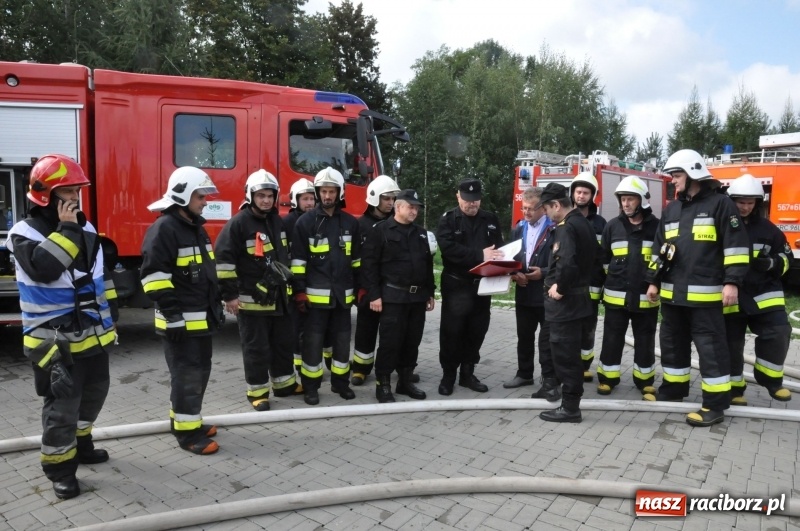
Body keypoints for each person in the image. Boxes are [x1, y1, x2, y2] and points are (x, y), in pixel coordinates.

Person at [6, 154, 118, 499]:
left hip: (92, 333)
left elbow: (96, 277)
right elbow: (45, 269)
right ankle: (60, 469)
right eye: (67, 192)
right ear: (45, 195)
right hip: (52, 339)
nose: (75, 199)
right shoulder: (22, 233)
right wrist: (68, 229)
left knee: (95, 393)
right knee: (62, 407)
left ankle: (81, 444)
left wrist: (110, 318)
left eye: (77, 192)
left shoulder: (84, 227)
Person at [644, 149, 750, 427]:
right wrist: (653, 281)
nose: (673, 181)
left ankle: (715, 405)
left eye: (676, 175)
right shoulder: (672, 209)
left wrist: (732, 283)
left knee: (711, 350)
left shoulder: (721, 205)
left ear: (693, 175)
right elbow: (659, 249)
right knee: (672, 346)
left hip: (706, 298)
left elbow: (736, 248)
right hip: (672, 297)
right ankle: (673, 391)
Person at [140, 166, 224, 454]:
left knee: (198, 374)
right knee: (187, 377)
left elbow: (206, 274)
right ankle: (188, 437)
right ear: (184, 195)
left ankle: (187, 421)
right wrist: (173, 317)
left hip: (200, 321)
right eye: (201, 196)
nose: (204, 201)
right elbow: (153, 279)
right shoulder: (164, 229)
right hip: (181, 324)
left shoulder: (195, 228)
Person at [215, 169, 300, 411]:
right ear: (250, 196)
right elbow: (223, 262)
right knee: (257, 348)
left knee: (282, 344)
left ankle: (284, 385)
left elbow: (283, 256)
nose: (266, 200)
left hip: (279, 298)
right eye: (261, 195)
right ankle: (258, 392)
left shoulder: (276, 221)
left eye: (270, 195)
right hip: (251, 301)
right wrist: (229, 296)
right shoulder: (238, 224)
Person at [291, 167, 360, 405]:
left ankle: (341, 384)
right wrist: (299, 292)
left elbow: (357, 261)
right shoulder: (305, 222)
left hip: (342, 299)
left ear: (339, 193)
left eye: (332, 191)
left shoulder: (351, 223)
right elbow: (298, 262)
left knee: (341, 344)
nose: (327, 196)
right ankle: (311, 387)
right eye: (323, 191)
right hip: (314, 301)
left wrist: (360, 289)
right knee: (312, 346)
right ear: (318, 192)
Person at [361, 189, 435, 402]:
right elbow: (369, 265)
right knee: (390, 342)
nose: (414, 211)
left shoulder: (421, 233)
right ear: (398, 207)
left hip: (417, 298)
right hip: (392, 297)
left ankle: (404, 382)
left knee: (412, 342)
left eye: (417, 208)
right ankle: (383, 384)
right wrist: (374, 295)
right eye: (411, 207)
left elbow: (427, 265)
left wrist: (430, 292)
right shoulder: (381, 231)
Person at [725, 174, 793, 405]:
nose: (745, 207)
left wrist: (771, 263)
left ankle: (772, 381)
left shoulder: (769, 229)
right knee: (731, 344)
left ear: (757, 203)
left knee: (779, 332)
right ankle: (735, 389)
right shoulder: (722, 226)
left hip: (764, 294)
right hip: (732, 294)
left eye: (750, 203)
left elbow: (787, 258)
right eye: (740, 202)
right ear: (731, 200)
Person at [436, 178, 504, 395]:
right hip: (457, 285)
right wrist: (479, 255)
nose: (471, 204)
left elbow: (498, 249)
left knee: (477, 330)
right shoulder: (448, 220)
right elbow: (448, 250)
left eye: (475, 200)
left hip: (482, 286)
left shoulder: (490, 219)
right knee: (452, 332)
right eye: (467, 200)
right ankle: (448, 375)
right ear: (458, 196)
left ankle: (467, 373)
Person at [537, 183, 597, 423]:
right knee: (568, 352)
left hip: (566, 303)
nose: (546, 214)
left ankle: (570, 408)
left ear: (556, 205)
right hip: (579, 299)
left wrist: (559, 288)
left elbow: (567, 263)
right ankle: (568, 403)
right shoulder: (582, 222)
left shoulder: (566, 227)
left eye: (547, 209)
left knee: (565, 355)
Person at [596, 176, 660, 396]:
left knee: (645, 340)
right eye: (623, 199)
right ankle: (607, 378)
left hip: (646, 297)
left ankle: (645, 381)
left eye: (630, 199)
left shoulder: (657, 228)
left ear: (641, 200)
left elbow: (662, 260)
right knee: (612, 339)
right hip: (616, 298)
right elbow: (603, 259)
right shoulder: (613, 226)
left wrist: (655, 282)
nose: (626, 203)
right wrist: (612, 279)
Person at [504, 187, 556, 392]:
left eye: (531, 209)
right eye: (523, 208)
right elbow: (511, 257)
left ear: (543, 208)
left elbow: (558, 261)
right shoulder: (519, 228)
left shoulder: (554, 229)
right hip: (524, 291)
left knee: (547, 339)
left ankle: (549, 377)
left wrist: (542, 272)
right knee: (524, 336)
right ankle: (524, 374)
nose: (526, 213)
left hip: (545, 293)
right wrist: (514, 274)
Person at [351, 175, 401, 387]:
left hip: (392, 288)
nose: (390, 203)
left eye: (393, 199)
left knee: (394, 332)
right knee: (365, 329)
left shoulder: (397, 223)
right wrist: (360, 289)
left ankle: (397, 367)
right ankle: (361, 368)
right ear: (374, 199)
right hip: (368, 288)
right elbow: (355, 260)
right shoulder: (360, 226)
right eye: (386, 199)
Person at [569, 172, 606, 382]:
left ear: (592, 196)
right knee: (569, 327)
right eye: (578, 192)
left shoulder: (601, 224)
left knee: (588, 329)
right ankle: (569, 363)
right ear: (573, 193)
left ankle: (584, 366)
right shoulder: (565, 218)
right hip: (569, 286)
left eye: (586, 193)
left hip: (591, 286)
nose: (581, 196)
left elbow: (604, 256)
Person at [282, 178, 321, 371]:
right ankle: (298, 364)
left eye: (312, 198)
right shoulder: (287, 223)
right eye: (305, 199)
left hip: (314, 282)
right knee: (297, 328)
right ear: (295, 200)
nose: (309, 203)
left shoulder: (319, 220)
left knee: (314, 328)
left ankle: (314, 363)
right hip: (294, 283)